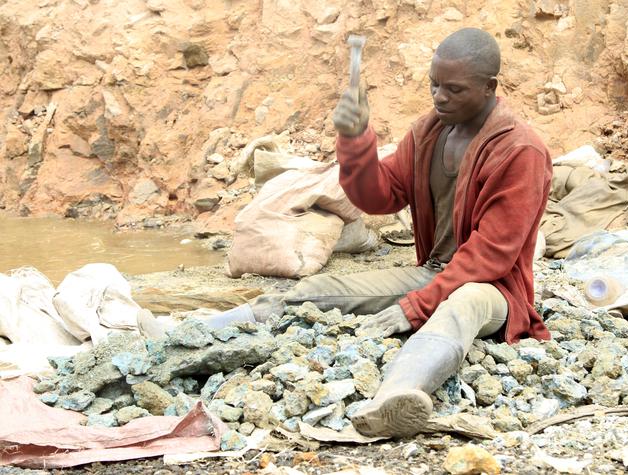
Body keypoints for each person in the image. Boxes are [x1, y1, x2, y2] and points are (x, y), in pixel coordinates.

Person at [139, 27, 552, 438]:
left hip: (493, 289)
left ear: (489, 87)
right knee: (317, 290)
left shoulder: (519, 149)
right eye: (434, 85)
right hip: (435, 272)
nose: (439, 97)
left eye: (454, 89)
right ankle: (185, 334)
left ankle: (396, 397)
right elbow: (380, 196)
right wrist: (355, 140)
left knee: (460, 304)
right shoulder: (431, 131)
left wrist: (414, 308)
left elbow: (491, 255)